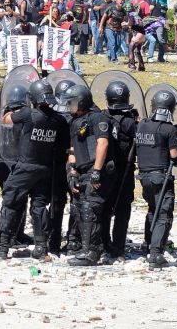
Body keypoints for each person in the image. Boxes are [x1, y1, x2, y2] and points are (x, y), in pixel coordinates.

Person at [0, 80, 70, 259]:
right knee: (40, 207)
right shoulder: (59, 120)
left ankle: (2, 246)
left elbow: (6, 120)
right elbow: (63, 146)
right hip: (45, 169)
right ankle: (41, 248)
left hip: (25, 168)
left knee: (10, 203)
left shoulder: (28, 114)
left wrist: (9, 108)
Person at [63, 84, 116, 266]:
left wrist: (96, 171)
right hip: (82, 171)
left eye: (73, 103)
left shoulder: (98, 118)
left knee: (90, 207)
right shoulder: (74, 122)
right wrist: (72, 171)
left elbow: (102, 144)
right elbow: (72, 149)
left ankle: (91, 252)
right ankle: (92, 246)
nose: (70, 107)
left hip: (98, 171)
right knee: (78, 206)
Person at [135, 90, 177, 268]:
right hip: (161, 176)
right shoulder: (169, 129)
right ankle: (156, 254)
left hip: (144, 176)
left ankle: (148, 244)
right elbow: (175, 156)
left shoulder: (141, 125)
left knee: (152, 210)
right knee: (163, 215)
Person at [102, 81, 138, 258]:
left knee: (105, 208)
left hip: (105, 171)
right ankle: (118, 247)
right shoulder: (130, 123)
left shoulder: (101, 118)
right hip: (124, 171)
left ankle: (103, 244)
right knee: (122, 211)